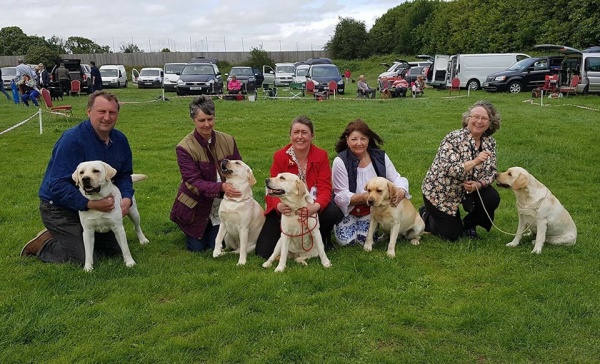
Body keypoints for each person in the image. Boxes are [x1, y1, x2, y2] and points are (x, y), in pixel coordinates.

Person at [20, 91, 138, 264]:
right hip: (59, 207)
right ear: (89, 111)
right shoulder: (72, 140)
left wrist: (126, 197)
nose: (107, 117)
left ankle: (73, 235)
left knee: (114, 250)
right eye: (101, 112)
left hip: (96, 204)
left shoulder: (120, 140)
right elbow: (57, 185)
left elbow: (124, 175)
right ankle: (44, 244)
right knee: (81, 259)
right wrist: (89, 204)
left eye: (112, 113)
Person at [255, 115, 342, 258]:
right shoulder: (280, 156)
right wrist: (278, 206)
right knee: (264, 252)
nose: (300, 137)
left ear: (312, 135)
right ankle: (290, 242)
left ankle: (321, 238)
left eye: (304, 132)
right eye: (296, 132)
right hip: (286, 209)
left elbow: (325, 188)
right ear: (290, 135)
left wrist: (315, 207)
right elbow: (270, 190)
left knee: (332, 211)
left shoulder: (321, 155)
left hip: (310, 205)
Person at [420, 100, 502, 241]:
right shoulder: (453, 138)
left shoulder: (490, 142)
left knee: (491, 197)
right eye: (475, 117)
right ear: (467, 119)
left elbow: (492, 171)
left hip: (468, 191)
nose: (479, 121)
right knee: (451, 235)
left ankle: (470, 225)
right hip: (441, 193)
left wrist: (479, 184)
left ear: (490, 123)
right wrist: (475, 161)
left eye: (484, 118)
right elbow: (447, 168)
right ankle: (425, 214)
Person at [170, 96, 242, 252]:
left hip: (224, 202)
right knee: (198, 248)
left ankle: (214, 228)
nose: (207, 124)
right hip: (196, 204)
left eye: (210, 119)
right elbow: (193, 182)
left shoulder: (228, 140)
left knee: (220, 244)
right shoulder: (184, 147)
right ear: (193, 120)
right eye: (201, 120)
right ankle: (194, 228)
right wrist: (221, 187)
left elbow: (239, 169)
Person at [332, 119, 411, 246]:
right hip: (350, 209)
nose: (359, 143)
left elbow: (396, 178)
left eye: (363, 139)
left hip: (374, 210)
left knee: (366, 241)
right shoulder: (340, 161)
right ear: (347, 140)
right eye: (354, 139)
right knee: (346, 242)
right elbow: (340, 195)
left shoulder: (380, 157)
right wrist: (363, 197)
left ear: (368, 140)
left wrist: (401, 190)